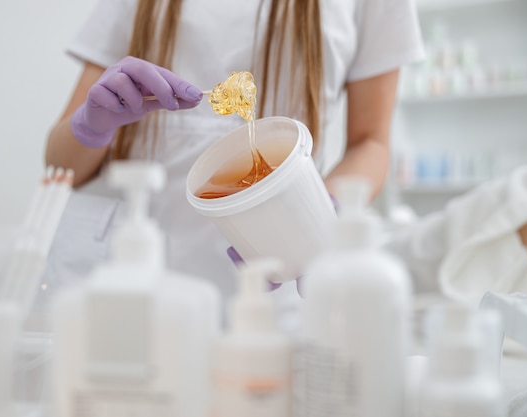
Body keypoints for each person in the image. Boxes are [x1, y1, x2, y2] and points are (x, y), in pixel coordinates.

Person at [43, 0, 426, 301]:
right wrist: (92, 125)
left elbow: (370, 143)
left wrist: (319, 212)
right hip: (124, 281)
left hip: (272, 274)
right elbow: (62, 167)